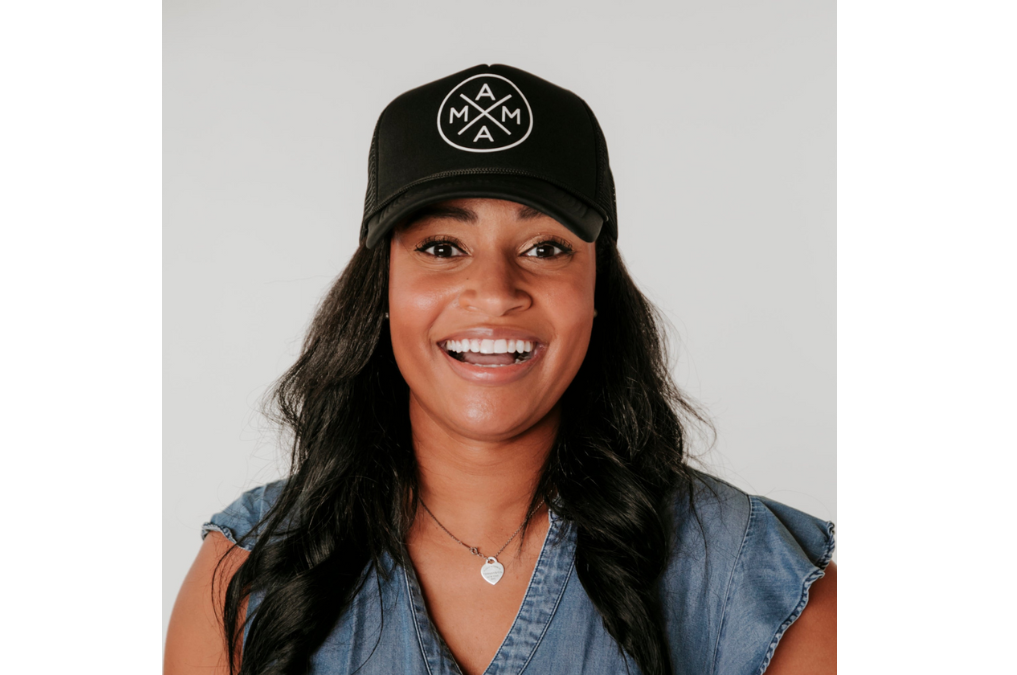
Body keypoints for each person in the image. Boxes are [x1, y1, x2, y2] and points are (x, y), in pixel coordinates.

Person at [165, 64, 836, 675]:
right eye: (441, 246)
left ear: (597, 290)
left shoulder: (754, 585)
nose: (493, 291)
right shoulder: (247, 575)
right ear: (382, 292)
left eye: (545, 246)